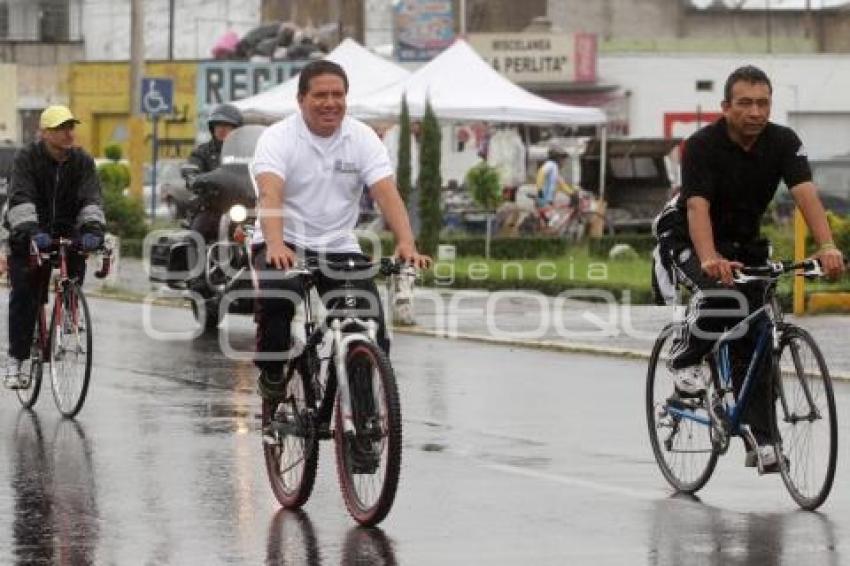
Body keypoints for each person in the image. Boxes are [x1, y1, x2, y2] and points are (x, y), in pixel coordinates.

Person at [656, 65, 844, 470]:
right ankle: (685, 357)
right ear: (725, 107)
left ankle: (761, 440)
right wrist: (708, 257)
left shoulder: (783, 142)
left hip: (745, 244)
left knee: (757, 339)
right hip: (689, 237)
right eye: (745, 103)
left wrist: (827, 246)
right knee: (723, 297)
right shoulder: (703, 146)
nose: (755, 112)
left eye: (763, 103)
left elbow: (806, 195)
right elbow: (696, 207)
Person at [250, 60, 431, 400]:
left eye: (338, 95)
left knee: (368, 324)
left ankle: (362, 420)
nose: (330, 103)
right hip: (283, 240)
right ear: (301, 99)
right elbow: (270, 193)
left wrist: (407, 242)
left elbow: (385, 192)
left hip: (338, 244)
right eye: (320, 95)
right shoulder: (278, 138)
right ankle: (272, 372)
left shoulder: (361, 137)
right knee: (278, 294)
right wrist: (274, 243)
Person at [3, 105, 105, 388]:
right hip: (29, 234)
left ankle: (69, 313)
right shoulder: (27, 158)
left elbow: (91, 197)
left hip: (65, 232)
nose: (68, 133)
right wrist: (31, 232)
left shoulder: (82, 161)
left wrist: (92, 229)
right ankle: (17, 360)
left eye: (71, 127)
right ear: (45, 133)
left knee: (74, 270)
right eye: (61, 128)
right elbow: (20, 197)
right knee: (25, 292)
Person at [186, 103, 244, 241]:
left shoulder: (246, 151)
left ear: (237, 129)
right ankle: (195, 262)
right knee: (196, 236)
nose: (222, 129)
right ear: (212, 128)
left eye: (227, 125)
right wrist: (193, 177)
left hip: (243, 208)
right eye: (218, 125)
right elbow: (192, 169)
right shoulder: (202, 152)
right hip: (212, 208)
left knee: (264, 237)